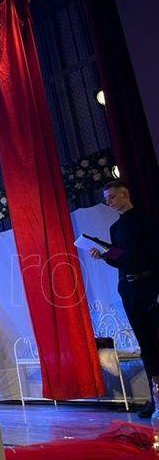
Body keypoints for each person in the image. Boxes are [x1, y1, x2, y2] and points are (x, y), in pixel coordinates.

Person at [91, 180, 159, 419]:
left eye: (111, 197)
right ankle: (156, 399)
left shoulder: (145, 220)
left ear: (125, 195)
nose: (108, 202)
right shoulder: (115, 228)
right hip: (130, 289)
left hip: (150, 285)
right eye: (106, 198)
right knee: (146, 344)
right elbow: (122, 261)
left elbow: (153, 255)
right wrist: (104, 256)